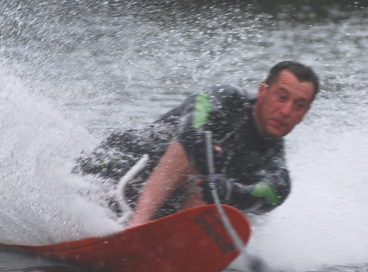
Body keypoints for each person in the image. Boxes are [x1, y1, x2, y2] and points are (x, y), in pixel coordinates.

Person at [72, 61, 318, 227]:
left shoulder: (274, 169)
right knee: (191, 150)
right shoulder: (226, 98)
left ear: (305, 113)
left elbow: (271, 196)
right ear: (263, 90)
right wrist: (203, 150)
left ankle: (164, 242)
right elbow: (193, 122)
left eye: (298, 105)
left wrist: (229, 191)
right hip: (115, 168)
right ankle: (137, 226)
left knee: (218, 193)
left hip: (168, 213)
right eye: (281, 97)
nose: (286, 111)